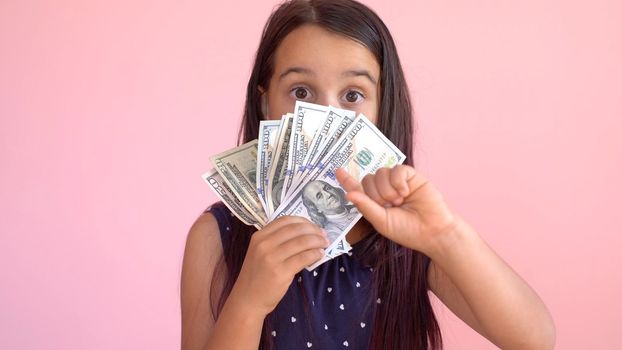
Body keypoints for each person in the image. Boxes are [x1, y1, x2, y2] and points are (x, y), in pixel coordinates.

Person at [180, 1, 556, 349]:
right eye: (301, 91)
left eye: (353, 95)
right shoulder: (216, 236)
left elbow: (534, 340)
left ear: (381, 107)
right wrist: (247, 302)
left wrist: (445, 235)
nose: (328, 115)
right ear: (265, 101)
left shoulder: (408, 235)